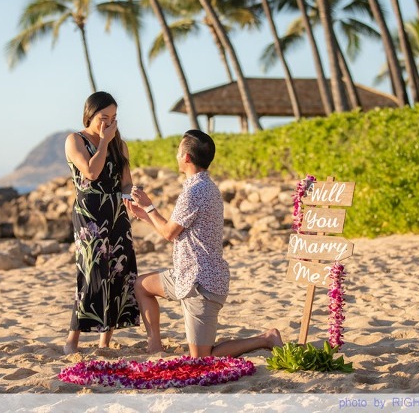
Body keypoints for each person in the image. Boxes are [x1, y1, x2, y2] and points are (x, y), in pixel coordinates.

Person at [125, 129, 282, 358]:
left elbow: (169, 233)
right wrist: (145, 216)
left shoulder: (195, 192)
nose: (176, 155)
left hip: (201, 283)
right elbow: (175, 231)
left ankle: (266, 339)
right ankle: (155, 345)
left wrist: (149, 207)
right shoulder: (204, 186)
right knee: (141, 285)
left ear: (186, 157)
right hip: (185, 275)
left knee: (202, 357)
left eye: (178, 151)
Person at [63, 91, 139, 355]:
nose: (109, 122)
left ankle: (104, 342)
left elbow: (126, 182)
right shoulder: (75, 140)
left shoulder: (120, 144)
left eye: (113, 117)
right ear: (90, 114)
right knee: (91, 273)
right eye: (103, 117)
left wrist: (131, 196)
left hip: (116, 213)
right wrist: (105, 141)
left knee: (118, 272)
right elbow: (91, 172)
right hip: (90, 215)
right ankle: (72, 340)